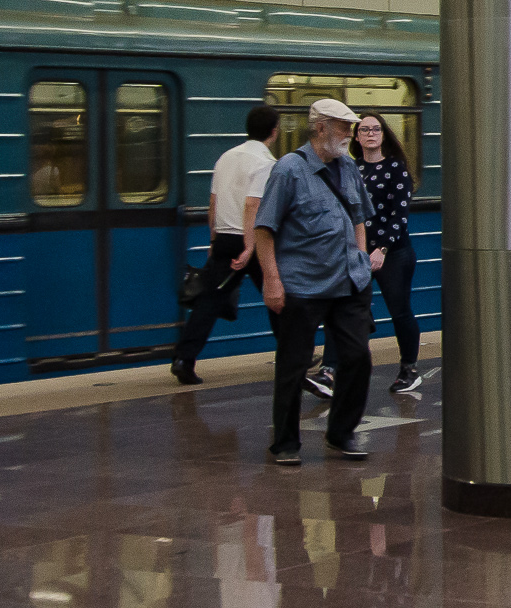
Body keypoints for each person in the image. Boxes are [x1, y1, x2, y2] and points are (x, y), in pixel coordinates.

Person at [251, 98, 378, 466]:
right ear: (321, 128)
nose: (350, 133)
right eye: (343, 126)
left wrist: (360, 260)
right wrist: (272, 281)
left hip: (348, 282)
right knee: (294, 365)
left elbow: (358, 217)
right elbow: (264, 229)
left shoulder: (349, 166)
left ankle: (341, 432)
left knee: (357, 357)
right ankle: (285, 443)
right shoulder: (289, 170)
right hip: (302, 285)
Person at [175, 105, 284, 385]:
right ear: (274, 132)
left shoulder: (226, 157)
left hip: (223, 238)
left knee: (208, 302)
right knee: (276, 296)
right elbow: (253, 205)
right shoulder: (266, 163)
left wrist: (213, 239)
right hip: (251, 240)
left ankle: (183, 359)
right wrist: (249, 247)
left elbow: (213, 203)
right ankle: (293, 354)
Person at [351, 114, 422, 398]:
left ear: (383, 134)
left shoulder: (396, 169)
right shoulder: (352, 169)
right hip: (359, 253)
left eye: (375, 129)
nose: (370, 133)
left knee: (399, 310)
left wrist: (381, 249)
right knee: (348, 309)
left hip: (394, 254)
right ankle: (331, 371)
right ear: (356, 137)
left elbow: (399, 216)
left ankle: (409, 369)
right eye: (364, 129)